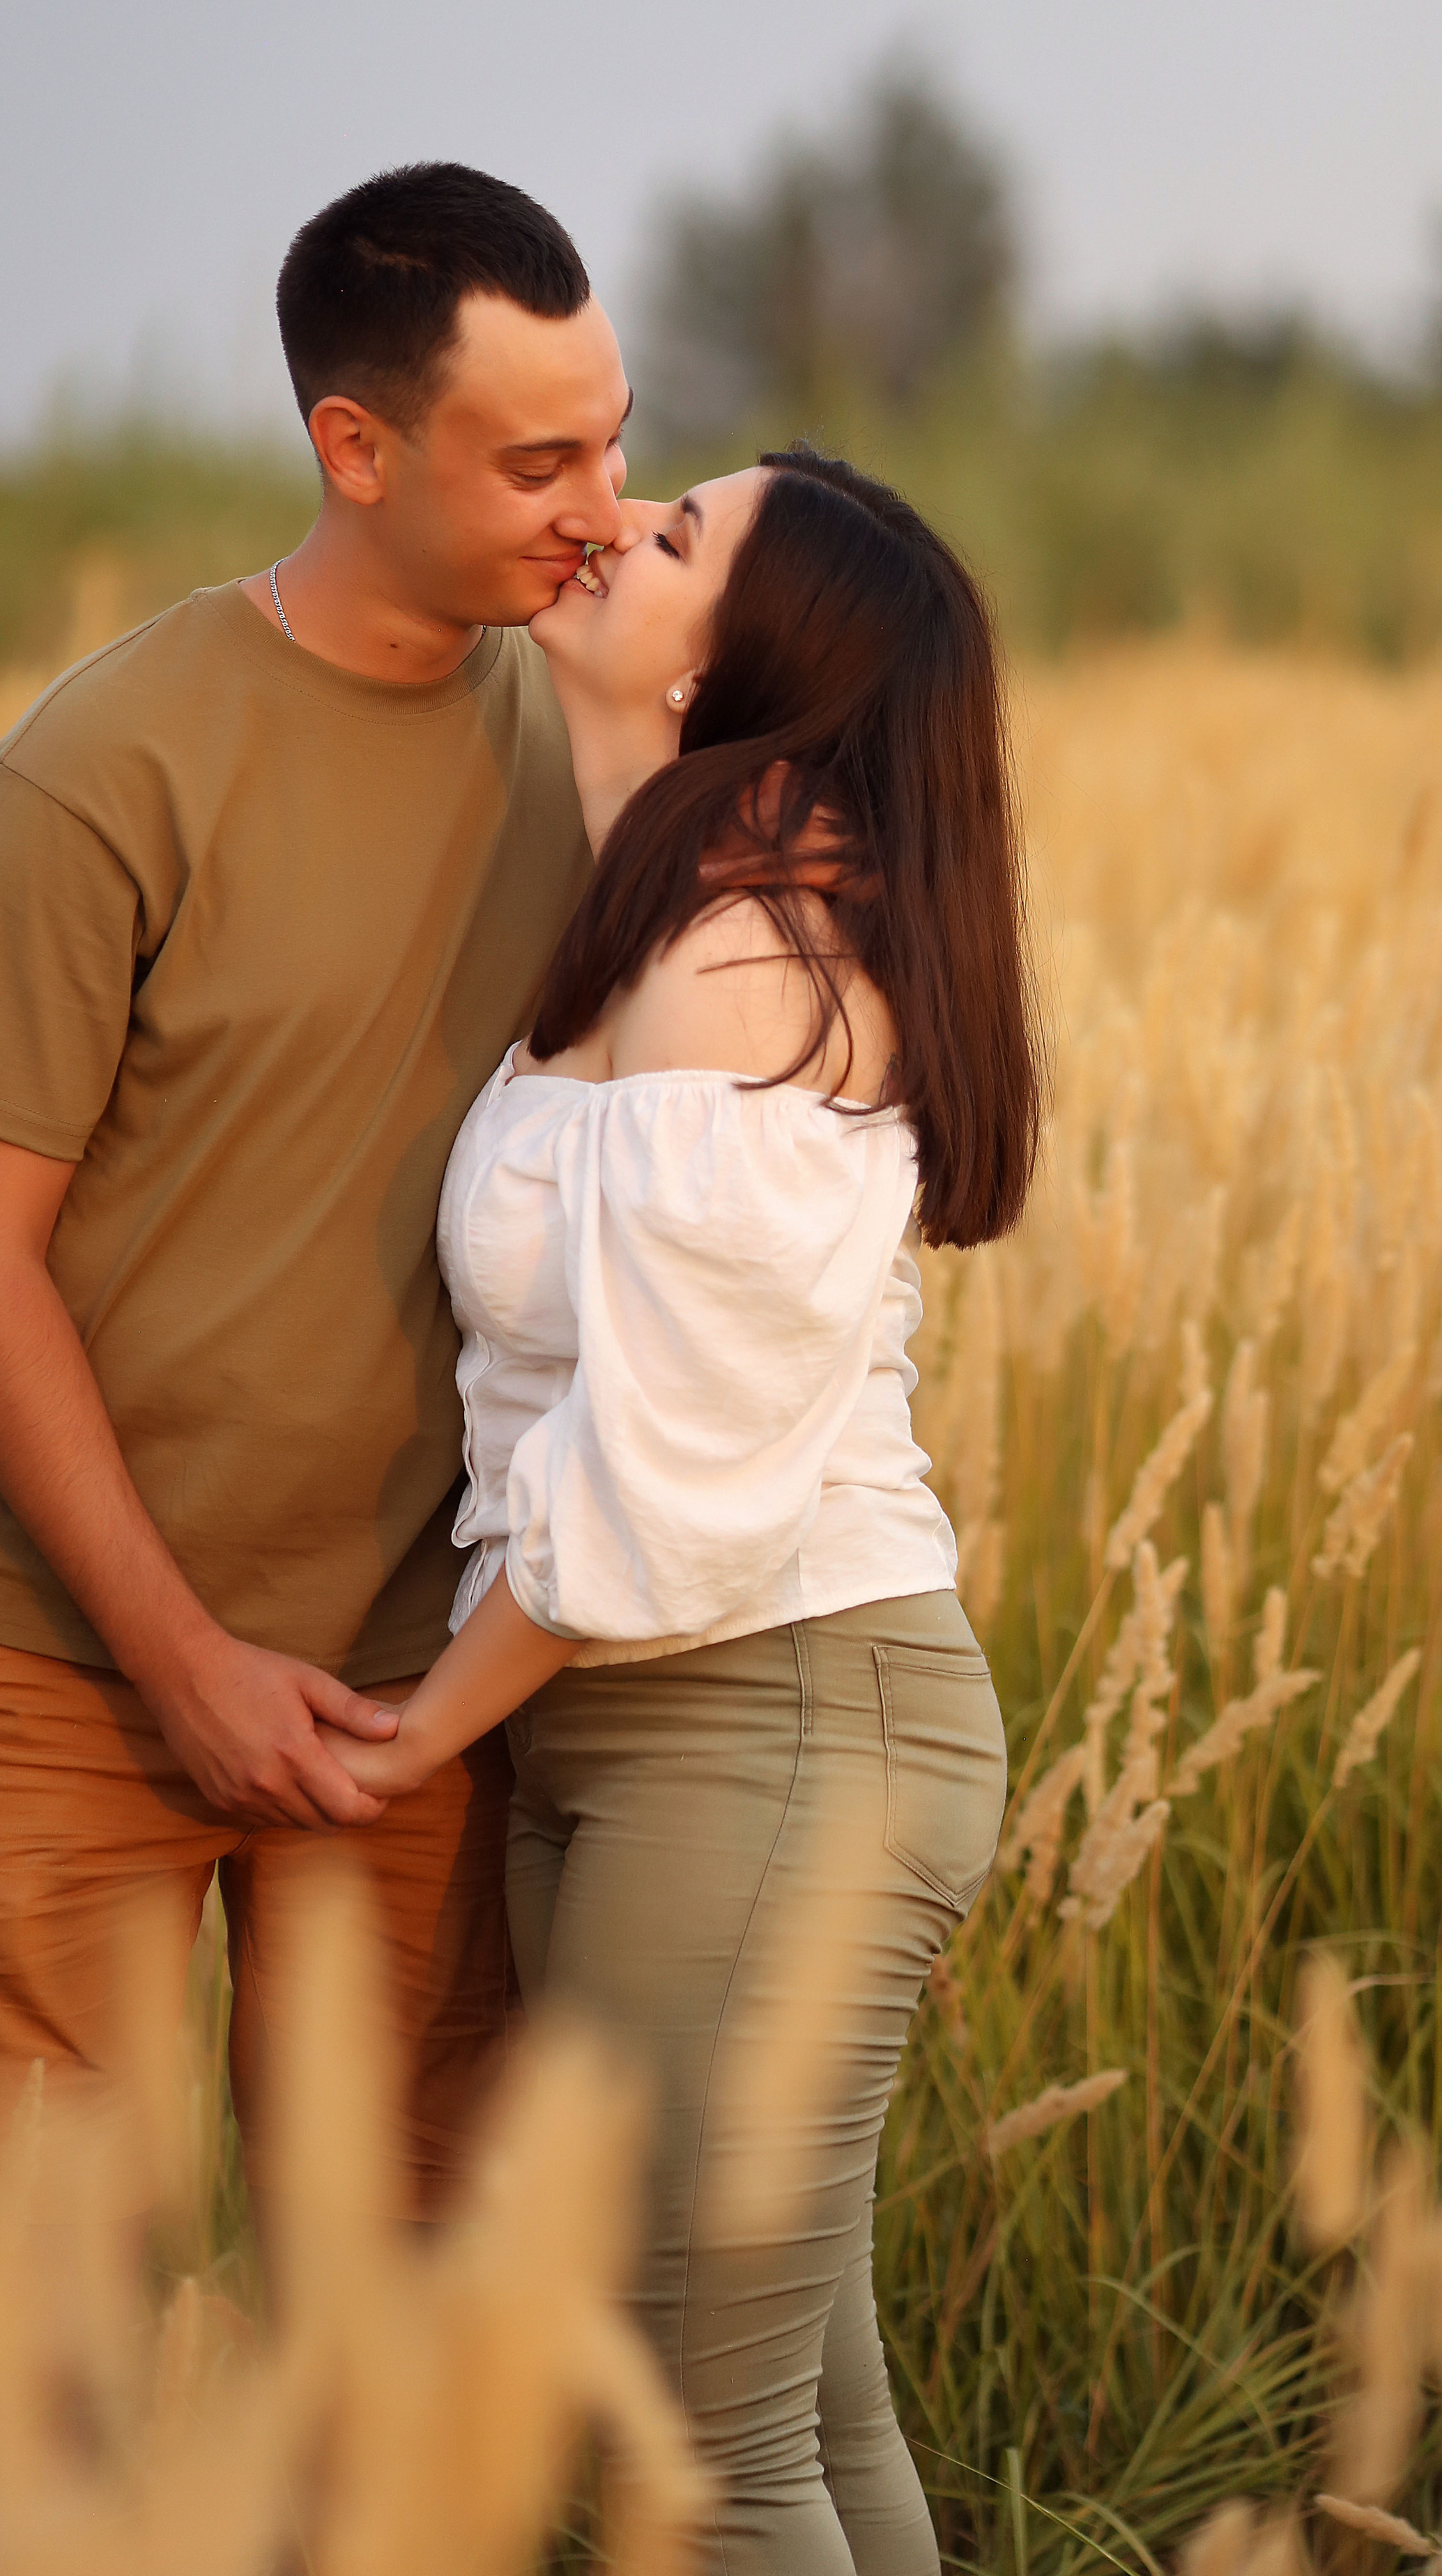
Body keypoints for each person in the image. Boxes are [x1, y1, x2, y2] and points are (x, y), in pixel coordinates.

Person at [0, 160, 638, 2221]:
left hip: (422, 1689)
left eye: (617, 439)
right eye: (540, 456)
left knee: (390, 2396)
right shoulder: (108, 763)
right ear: (356, 447)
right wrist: (179, 1657)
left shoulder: (600, 757)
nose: (604, 503)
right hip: (66, 1662)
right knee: (28, 2387)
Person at [323, 445, 1043, 2575]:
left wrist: (421, 1730)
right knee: (799, 2417)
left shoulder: (747, 967)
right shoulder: (669, 913)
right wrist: (596, 686)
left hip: (772, 1723)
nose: (621, 526)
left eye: (678, 533)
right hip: (674, 1733)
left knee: (696, 2457)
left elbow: (666, 1480)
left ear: (754, 659)